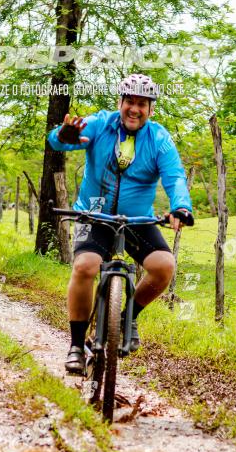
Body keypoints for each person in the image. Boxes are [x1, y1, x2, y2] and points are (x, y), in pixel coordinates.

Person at [47, 73, 194, 374]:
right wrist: (63, 136)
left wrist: (181, 207)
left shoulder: (159, 139)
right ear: (120, 102)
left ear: (151, 109)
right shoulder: (102, 124)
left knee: (164, 266)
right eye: (129, 101)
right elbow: (60, 140)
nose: (134, 109)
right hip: (94, 214)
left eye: (142, 103)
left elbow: (175, 176)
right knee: (85, 266)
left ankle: (127, 318)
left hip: (137, 219)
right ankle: (76, 344)